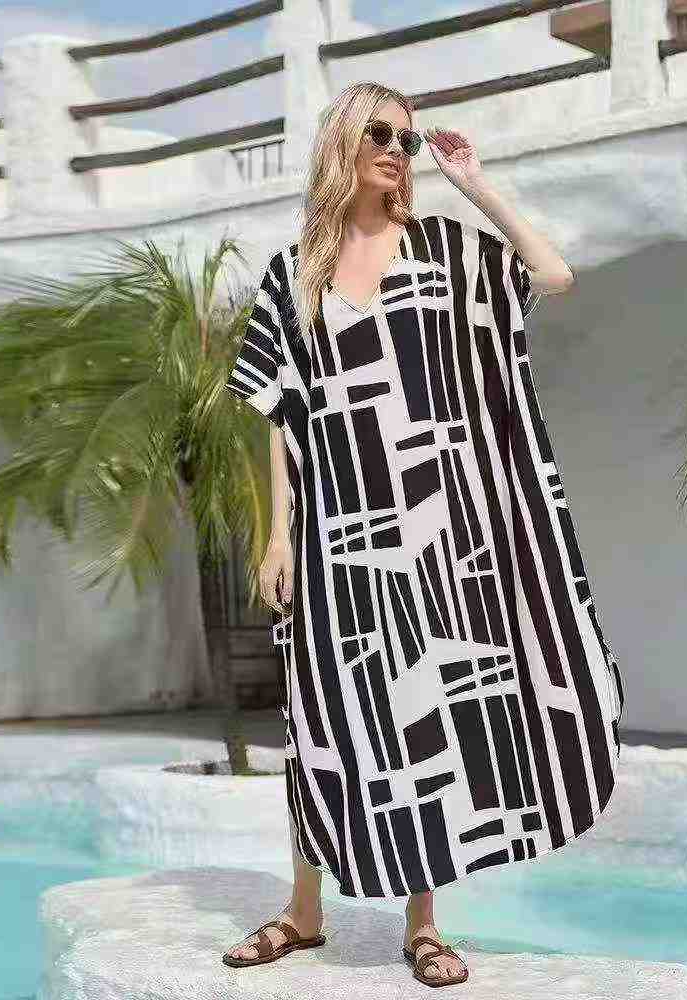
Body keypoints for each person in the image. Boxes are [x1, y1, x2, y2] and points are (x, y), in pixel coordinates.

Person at [221, 81, 626, 988]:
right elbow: (282, 417)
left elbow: (553, 274)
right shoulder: (295, 273)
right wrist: (279, 535)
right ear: (341, 141)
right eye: (379, 133)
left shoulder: (446, 251)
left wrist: (475, 183)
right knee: (321, 716)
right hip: (335, 534)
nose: (394, 150)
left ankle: (424, 926)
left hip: (437, 535)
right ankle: (304, 912)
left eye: (405, 139)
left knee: (424, 712)